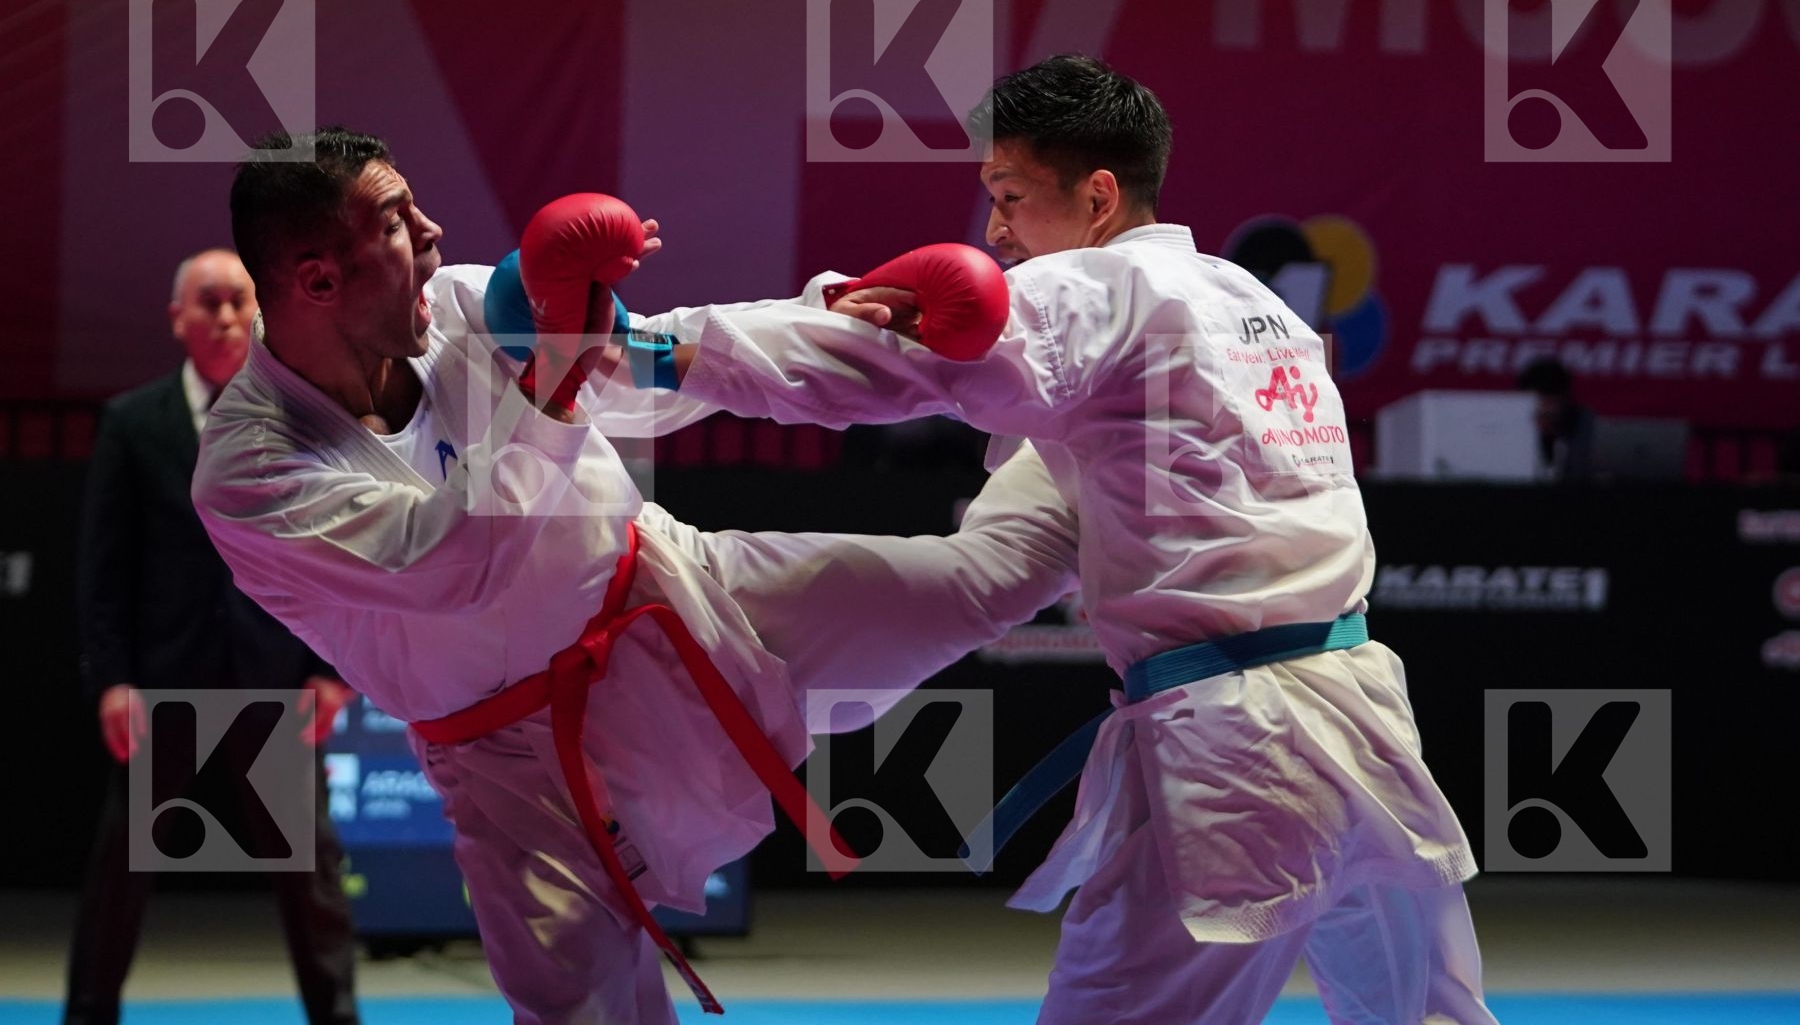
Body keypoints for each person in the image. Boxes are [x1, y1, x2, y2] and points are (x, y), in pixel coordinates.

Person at [659, 55, 1499, 1024]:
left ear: (1098, 196)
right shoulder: (1246, 302)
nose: (996, 230)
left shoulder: (1101, 287)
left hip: (1238, 749)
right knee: (1427, 1016)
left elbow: (883, 369)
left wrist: (641, 346)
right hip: (1361, 721)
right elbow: (1012, 535)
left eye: (1011, 196)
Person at [192, 129, 1078, 1025]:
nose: (432, 231)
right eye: (395, 221)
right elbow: (457, 563)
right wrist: (546, 380)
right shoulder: (250, 472)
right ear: (316, 280)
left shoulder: (458, 306)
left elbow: (655, 361)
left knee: (989, 578)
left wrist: (833, 315)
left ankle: (1105, 411)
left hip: (680, 602)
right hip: (518, 771)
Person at [67, 249, 359, 1025]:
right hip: (163, 681)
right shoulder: (134, 423)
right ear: (178, 319)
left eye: (240, 302)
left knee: (312, 877)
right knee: (120, 873)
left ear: (259, 314)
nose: (226, 317)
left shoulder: (303, 418)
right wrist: (112, 682)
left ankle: (339, 1018)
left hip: (274, 677)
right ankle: (87, 1014)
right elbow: (104, 566)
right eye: (209, 303)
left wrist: (333, 671)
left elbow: (334, 555)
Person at [1516, 356, 1594, 482]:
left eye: (1551, 401)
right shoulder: (1508, 437)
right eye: (1537, 402)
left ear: (1566, 400)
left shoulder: (1584, 432)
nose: (1544, 410)